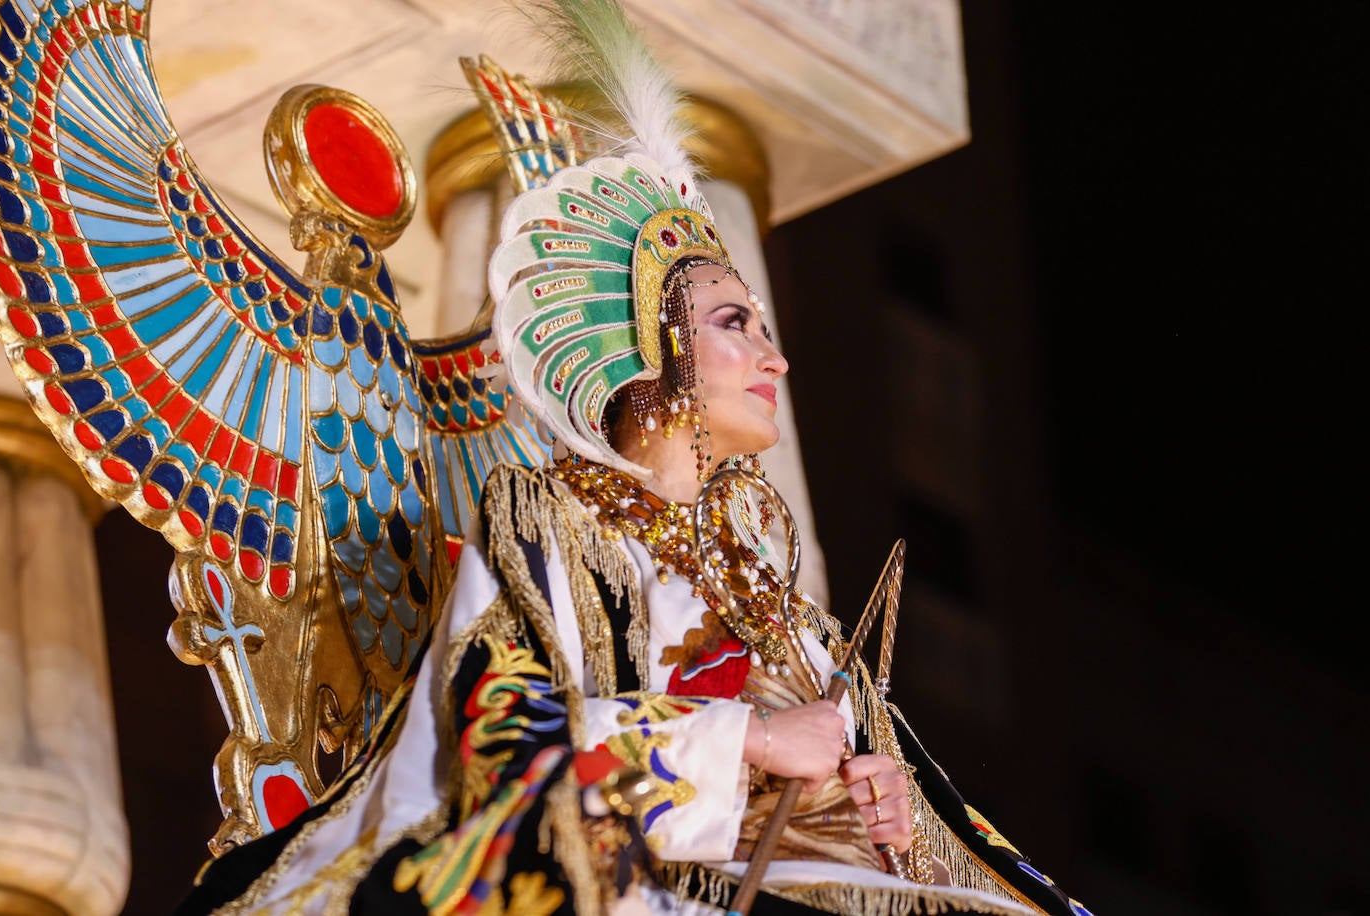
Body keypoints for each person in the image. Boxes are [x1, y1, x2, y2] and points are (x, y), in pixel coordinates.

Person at [175, 3, 1094, 914]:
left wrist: (872, 810)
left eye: (765, 327)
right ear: (652, 348)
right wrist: (752, 739)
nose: (776, 358)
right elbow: (505, 742)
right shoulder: (549, 521)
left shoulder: (767, 591)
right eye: (736, 323)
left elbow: (890, 828)